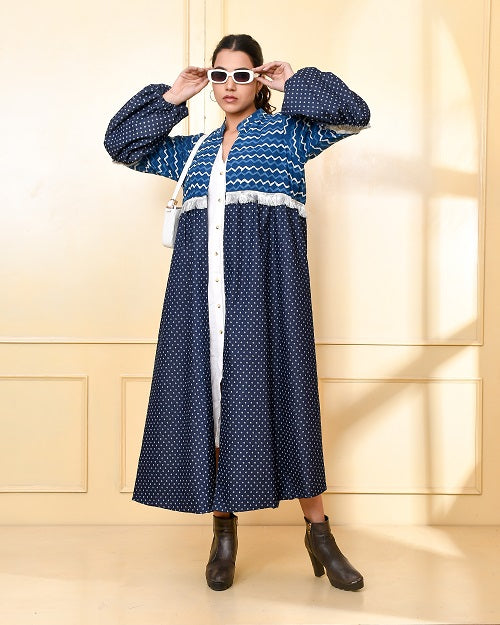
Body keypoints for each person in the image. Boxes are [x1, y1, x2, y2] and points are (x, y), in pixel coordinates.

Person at [104, 33, 370, 593]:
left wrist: (294, 82)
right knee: (214, 407)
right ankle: (223, 535)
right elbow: (121, 144)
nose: (229, 85)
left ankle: (319, 534)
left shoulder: (289, 135)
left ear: (258, 80)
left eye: (242, 75)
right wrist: (173, 97)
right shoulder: (193, 150)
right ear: (211, 82)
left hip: (268, 299)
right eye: (220, 75)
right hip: (198, 302)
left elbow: (354, 114)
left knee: (287, 401)